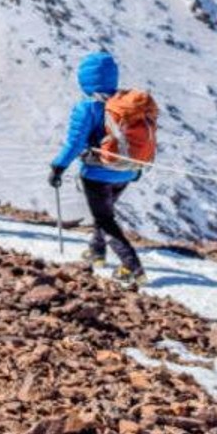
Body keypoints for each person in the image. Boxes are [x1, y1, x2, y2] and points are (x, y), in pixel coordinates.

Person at [48, 51, 147, 289]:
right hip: (127, 171)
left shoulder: (88, 107)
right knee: (105, 211)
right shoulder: (128, 104)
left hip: (98, 173)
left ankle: (132, 267)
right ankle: (96, 252)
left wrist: (58, 167)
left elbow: (75, 143)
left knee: (104, 218)